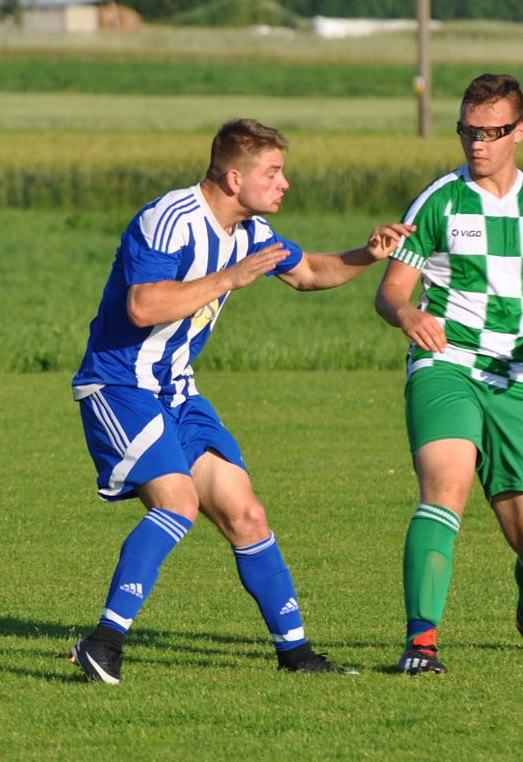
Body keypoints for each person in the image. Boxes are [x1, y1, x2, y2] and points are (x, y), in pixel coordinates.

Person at [66, 118, 414, 684]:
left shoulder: (252, 232)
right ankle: (103, 643)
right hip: (120, 385)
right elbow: (143, 306)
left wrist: (368, 254)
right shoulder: (170, 218)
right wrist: (229, 277)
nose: (284, 183)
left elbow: (309, 273)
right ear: (234, 178)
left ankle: (297, 655)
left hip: (178, 390)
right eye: (272, 172)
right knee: (178, 503)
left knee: (246, 513)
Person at [375, 73, 523, 675]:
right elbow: (391, 291)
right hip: (445, 365)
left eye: (491, 132)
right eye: (468, 130)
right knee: (446, 489)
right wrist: (408, 313)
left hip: (515, 380)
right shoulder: (439, 201)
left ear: (520, 132)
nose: (477, 143)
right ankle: (421, 644)